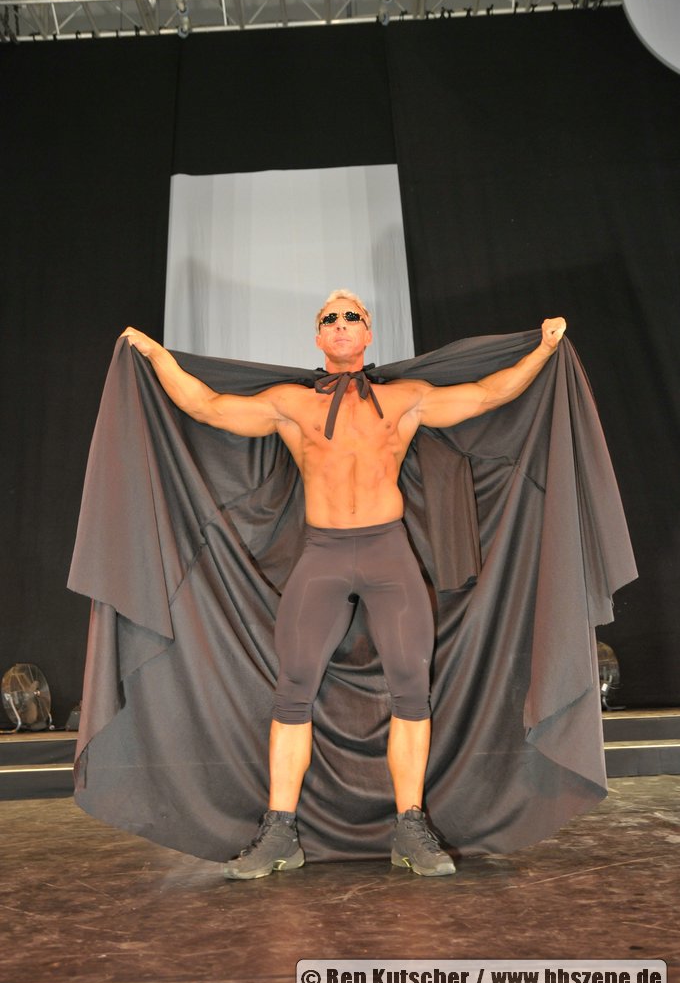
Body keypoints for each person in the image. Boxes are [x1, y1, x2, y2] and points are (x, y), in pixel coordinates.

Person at [122, 290, 566, 880]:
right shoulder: (292, 404)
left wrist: (544, 350)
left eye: (350, 315)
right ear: (317, 337)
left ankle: (410, 828)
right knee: (292, 691)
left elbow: (489, 394)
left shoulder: (404, 399)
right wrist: (157, 355)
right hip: (324, 556)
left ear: (367, 332)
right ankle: (279, 833)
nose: (339, 323)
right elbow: (206, 406)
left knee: (411, 689)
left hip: (388, 554)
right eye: (328, 317)